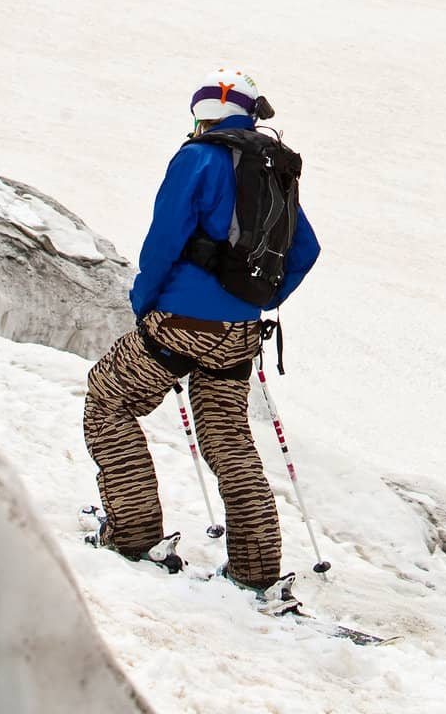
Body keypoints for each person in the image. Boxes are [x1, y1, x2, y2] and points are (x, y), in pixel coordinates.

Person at [83, 69, 320, 601]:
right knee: (228, 437)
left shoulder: (197, 157)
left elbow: (165, 238)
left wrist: (147, 304)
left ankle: (134, 533)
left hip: (182, 321)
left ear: (203, 114)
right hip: (241, 331)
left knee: (107, 401)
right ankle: (255, 569)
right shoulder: (273, 168)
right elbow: (305, 249)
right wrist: (257, 298)